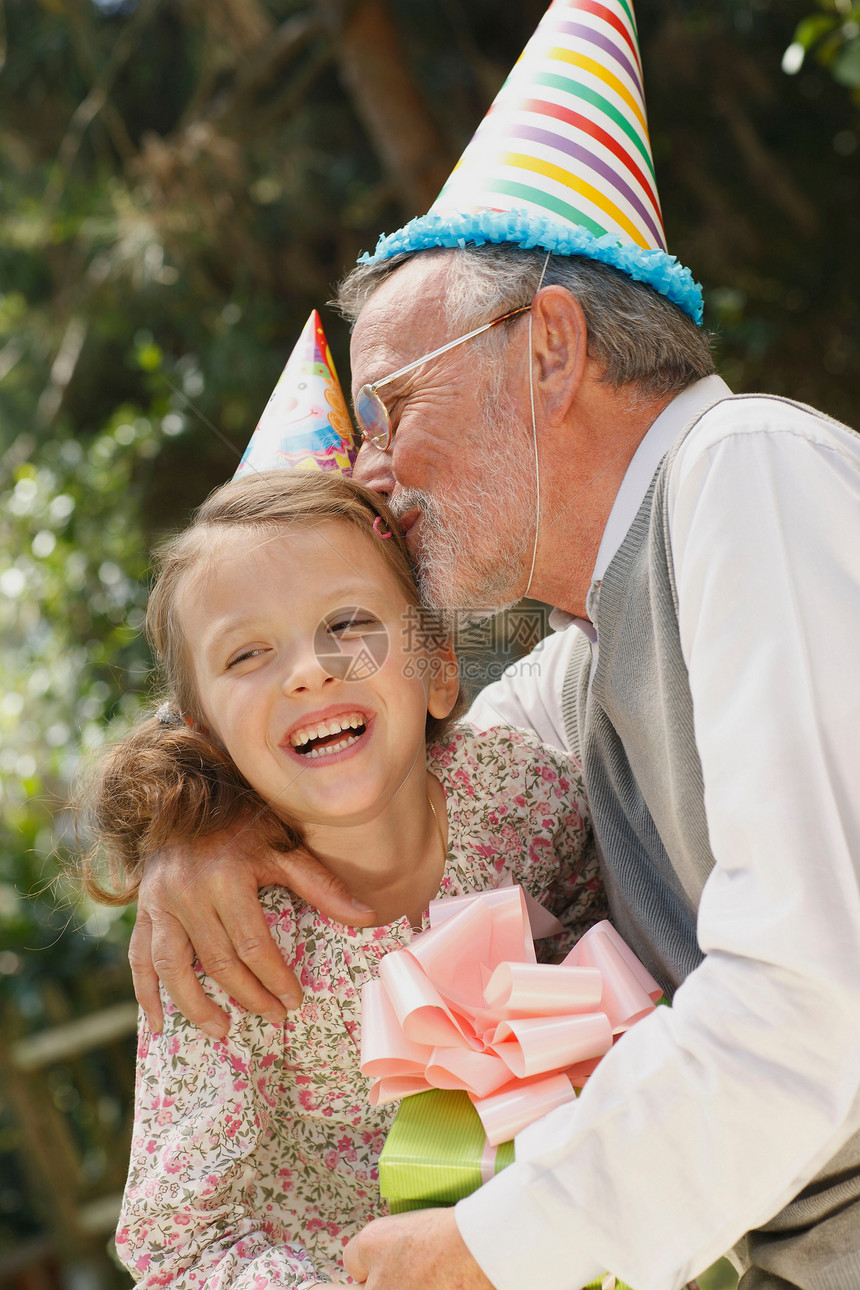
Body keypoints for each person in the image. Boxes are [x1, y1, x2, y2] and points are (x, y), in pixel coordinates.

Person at [127, 2, 860, 1287]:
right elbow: (385, 768)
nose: (369, 473)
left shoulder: (742, 474)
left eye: (393, 404)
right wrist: (205, 823)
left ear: (550, 352)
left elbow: (813, 999)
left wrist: (487, 1247)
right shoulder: (596, 647)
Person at [81, 468, 601, 1290]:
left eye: (348, 623)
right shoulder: (230, 953)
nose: (307, 671)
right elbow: (177, 1248)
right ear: (210, 741)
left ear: (436, 668)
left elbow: (616, 950)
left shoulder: (520, 795)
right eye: (248, 652)